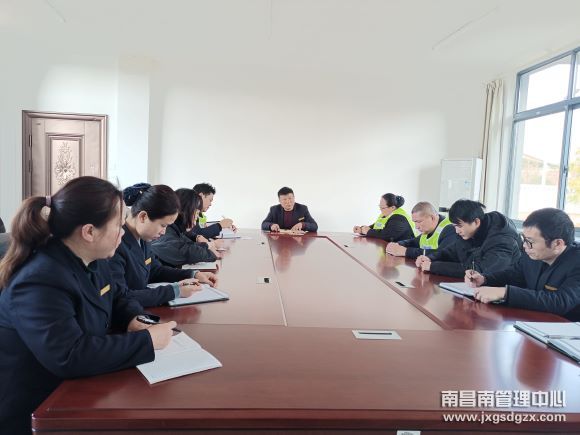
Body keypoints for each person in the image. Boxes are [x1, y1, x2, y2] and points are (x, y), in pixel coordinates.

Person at [0, 176, 175, 435]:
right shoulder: (39, 279)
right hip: (38, 410)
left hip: (78, 389)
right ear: (89, 232)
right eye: (118, 226)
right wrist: (147, 341)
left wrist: (134, 319)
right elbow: (69, 355)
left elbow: (118, 296)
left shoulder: (94, 258)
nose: (123, 233)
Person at [110, 183, 218, 308]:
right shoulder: (115, 246)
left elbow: (155, 270)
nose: (164, 232)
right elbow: (120, 297)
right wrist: (174, 291)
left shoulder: (143, 239)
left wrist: (193, 274)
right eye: (163, 225)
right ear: (143, 217)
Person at [466, 208, 580, 320]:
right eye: (524, 239)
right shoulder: (533, 254)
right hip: (534, 321)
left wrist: (505, 293)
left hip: (566, 327)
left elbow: (560, 301)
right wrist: (485, 279)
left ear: (557, 244)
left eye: (530, 241)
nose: (524, 245)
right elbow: (513, 275)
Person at [416, 199, 521, 277]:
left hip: (503, 291)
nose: (457, 231)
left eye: (459, 226)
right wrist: (430, 258)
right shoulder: (470, 231)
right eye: (455, 226)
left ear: (476, 222)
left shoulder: (502, 240)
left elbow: (479, 271)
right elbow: (452, 251)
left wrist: (434, 266)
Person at [151, 188, 221, 266]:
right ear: (185, 211)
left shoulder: (176, 229)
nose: (197, 217)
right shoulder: (165, 230)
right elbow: (183, 252)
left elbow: (189, 245)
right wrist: (211, 251)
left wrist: (207, 246)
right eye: (196, 213)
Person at [386, 201, 457, 258]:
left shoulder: (450, 228)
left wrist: (406, 251)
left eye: (419, 222)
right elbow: (413, 242)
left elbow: (441, 254)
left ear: (432, 218)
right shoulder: (428, 229)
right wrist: (397, 244)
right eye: (415, 222)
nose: (416, 227)